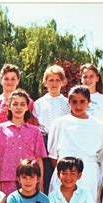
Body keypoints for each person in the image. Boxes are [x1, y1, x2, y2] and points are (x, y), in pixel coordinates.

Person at [48, 85, 103, 203]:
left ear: (89, 102)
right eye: (74, 102)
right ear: (69, 102)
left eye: (82, 102)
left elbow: (102, 155)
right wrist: (65, 171)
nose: (78, 106)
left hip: (89, 174)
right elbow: (53, 154)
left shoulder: (99, 125)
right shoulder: (59, 123)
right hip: (64, 173)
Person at [0, 89, 46, 196]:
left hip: (30, 180)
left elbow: (39, 159)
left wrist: (40, 182)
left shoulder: (35, 131)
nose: (18, 107)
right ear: (9, 107)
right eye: (15, 104)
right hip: (6, 180)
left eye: (22, 104)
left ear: (27, 107)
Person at [32, 64, 70, 193]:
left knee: (62, 173)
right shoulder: (38, 104)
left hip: (62, 140)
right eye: (51, 80)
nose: (54, 84)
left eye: (57, 80)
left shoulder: (67, 103)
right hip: (44, 140)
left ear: (63, 82)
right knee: (45, 174)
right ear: (45, 82)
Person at [0, 63, 34, 135]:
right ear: (1, 80)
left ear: (18, 81)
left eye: (13, 79)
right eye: (6, 79)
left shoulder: (28, 102)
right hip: (0, 143)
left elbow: (33, 128)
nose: (9, 82)